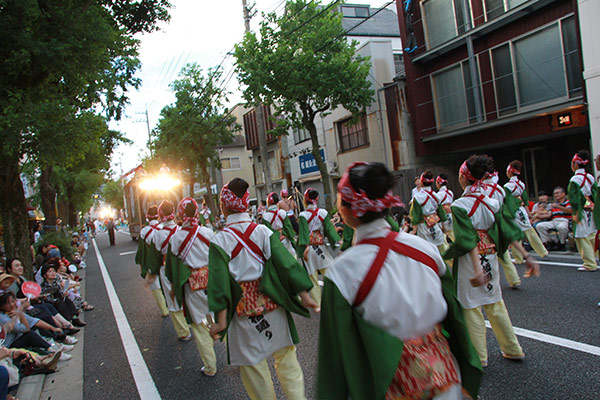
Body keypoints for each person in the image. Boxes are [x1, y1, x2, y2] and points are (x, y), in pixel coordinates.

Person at [318, 161, 481, 400]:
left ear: (350, 209)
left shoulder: (342, 273)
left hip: (393, 381)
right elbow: (454, 316)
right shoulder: (425, 250)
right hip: (445, 375)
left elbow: (334, 358)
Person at [207, 178, 318, 400]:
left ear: (223, 206)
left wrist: (220, 319)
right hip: (272, 300)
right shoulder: (262, 232)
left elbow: (218, 283)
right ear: (246, 204)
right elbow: (286, 263)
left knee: (253, 366)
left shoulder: (219, 241)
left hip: (242, 311)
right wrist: (305, 294)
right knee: (286, 357)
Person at [445, 155, 539, 367]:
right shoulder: (493, 202)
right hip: (490, 256)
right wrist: (527, 257)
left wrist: (477, 270)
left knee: (471, 308)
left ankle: (479, 357)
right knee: (495, 303)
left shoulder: (460, 205)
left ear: (463, 176)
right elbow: (507, 231)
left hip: (472, 263)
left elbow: (468, 240)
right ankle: (512, 348)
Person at [166, 198, 217, 377]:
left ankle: (210, 366)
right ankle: (235, 355)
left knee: (199, 325)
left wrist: (173, 287)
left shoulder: (176, 238)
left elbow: (172, 269)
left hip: (192, 286)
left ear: (180, 213)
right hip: (212, 281)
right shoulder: (208, 232)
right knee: (218, 318)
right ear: (197, 213)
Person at [152, 200, 191, 340]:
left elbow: (156, 251)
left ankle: (183, 332)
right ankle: (192, 321)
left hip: (166, 269)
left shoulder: (158, 234)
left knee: (172, 299)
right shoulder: (180, 230)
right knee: (186, 294)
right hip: (182, 267)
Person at [297, 188, 341, 306]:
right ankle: (335, 298)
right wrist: (337, 242)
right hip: (321, 247)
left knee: (313, 277)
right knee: (329, 273)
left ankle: (318, 303)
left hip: (309, 249)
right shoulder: (323, 213)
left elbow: (304, 233)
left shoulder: (303, 215)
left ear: (305, 201)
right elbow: (330, 231)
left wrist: (304, 248)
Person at [482, 166, 522, 288]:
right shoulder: (500, 189)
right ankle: (514, 278)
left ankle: (488, 281)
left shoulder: (482, 189)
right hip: (498, 223)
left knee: (485, 254)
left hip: (486, 225)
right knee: (503, 253)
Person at [504, 160, 548, 263]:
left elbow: (507, 202)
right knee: (529, 230)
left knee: (516, 234)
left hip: (514, 212)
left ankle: (518, 258)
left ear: (509, 172)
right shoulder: (521, 184)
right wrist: (528, 214)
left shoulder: (507, 186)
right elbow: (525, 199)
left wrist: (507, 215)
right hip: (522, 210)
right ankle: (542, 251)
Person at [567, 150, 599, 271]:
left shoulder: (574, 180)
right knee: (592, 234)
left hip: (581, 210)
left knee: (581, 236)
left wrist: (576, 212)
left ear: (575, 164)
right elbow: (595, 193)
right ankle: (594, 258)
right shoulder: (590, 177)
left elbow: (574, 199)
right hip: (592, 209)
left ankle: (589, 263)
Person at [135, 205, 169, 317]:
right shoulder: (164, 228)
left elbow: (141, 251)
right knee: (168, 283)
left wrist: (142, 264)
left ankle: (164, 310)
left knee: (155, 285)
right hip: (165, 260)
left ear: (147, 217)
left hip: (151, 261)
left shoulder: (144, 231)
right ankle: (170, 304)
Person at [410, 170, 448, 256]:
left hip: (423, 226)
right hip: (435, 225)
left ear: (422, 182)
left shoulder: (418, 197)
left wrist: (414, 230)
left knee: (427, 252)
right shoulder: (436, 195)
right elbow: (442, 213)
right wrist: (444, 227)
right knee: (439, 253)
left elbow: (415, 215)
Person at [535, 187, 572, 251]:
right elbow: (545, 212)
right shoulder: (552, 204)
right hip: (554, 220)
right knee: (539, 226)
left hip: (564, 220)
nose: (555, 195)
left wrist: (558, 206)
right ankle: (548, 242)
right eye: (554, 194)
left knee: (562, 227)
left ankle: (562, 243)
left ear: (563, 194)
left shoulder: (567, 202)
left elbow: (569, 210)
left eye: (557, 193)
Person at [436, 173, 455, 241]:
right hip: (451, 215)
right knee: (453, 234)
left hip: (444, 216)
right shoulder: (450, 192)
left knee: (445, 237)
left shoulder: (439, 194)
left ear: (438, 183)